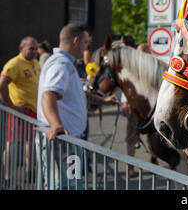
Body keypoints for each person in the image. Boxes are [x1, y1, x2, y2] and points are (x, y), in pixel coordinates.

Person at [36, 24, 118, 189]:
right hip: (64, 143)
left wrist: (105, 101)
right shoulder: (61, 65)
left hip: (67, 141)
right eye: (85, 43)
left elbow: (78, 94)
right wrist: (56, 124)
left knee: (65, 184)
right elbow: (49, 94)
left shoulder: (64, 63)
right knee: (64, 185)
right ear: (75, 41)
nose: (86, 47)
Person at [0, 36, 40, 184]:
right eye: (31, 48)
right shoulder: (14, 64)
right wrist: (11, 106)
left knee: (31, 142)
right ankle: (7, 178)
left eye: (36, 48)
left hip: (34, 111)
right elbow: (2, 85)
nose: (35, 51)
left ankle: (30, 172)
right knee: (13, 144)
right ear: (21, 49)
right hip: (20, 111)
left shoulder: (35, 63)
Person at [121, 42, 154, 177]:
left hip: (150, 107)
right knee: (131, 138)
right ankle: (131, 166)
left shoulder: (153, 66)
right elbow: (125, 85)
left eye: (144, 53)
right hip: (135, 107)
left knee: (153, 136)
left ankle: (154, 160)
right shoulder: (131, 68)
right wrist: (125, 104)